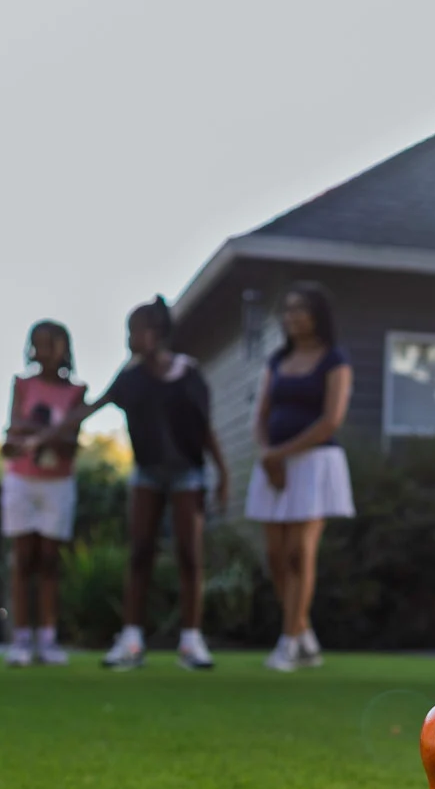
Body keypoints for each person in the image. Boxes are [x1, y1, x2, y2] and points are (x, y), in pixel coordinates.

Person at [55, 297, 229, 671]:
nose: (130, 338)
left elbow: (206, 429)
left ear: (156, 332)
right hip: (147, 472)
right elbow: (92, 408)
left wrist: (223, 476)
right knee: (140, 552)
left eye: (135, 330)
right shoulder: (130, 378)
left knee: (189, 554)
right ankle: (131, 638)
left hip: (187, 472)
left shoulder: (189, 374)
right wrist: (45, 434)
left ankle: (191, 641)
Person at [246, 280, 354, 671]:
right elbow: (261, 415)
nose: (291, 316)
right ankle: (303, 630)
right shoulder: (275, 361)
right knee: (275, 555)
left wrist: (281, 454)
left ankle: (289, 641)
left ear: (316, 315)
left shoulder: (334, 360)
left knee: (298, 551)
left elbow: (330, 420)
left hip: (314, 464)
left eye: (300, 308)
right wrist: (267, 455)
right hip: (273, 464)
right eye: (287, 308)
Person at [0, 320, 84, 667]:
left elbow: (71, 442)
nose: (46, 350)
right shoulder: (21, 385)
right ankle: (20, 638)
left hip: (58, 483)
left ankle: (47, 638)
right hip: (21, 480)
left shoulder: (77, 392)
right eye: (40, 343)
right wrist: (36, 434)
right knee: (23, 558)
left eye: (53, 343)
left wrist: (44, 436)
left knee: (49, 560)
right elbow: (13, 431)